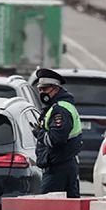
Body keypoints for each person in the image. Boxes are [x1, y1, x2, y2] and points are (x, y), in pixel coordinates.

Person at [32, 68, 82, 198]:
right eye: (40, 89)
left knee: (46, 205)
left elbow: (56, 138)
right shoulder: (54, 107)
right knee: (68, 204)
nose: (42, 93)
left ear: (56, 89)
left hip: (59, 166)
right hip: (63, 163)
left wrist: (39, 133)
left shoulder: (60, 110)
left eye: (45, 89)